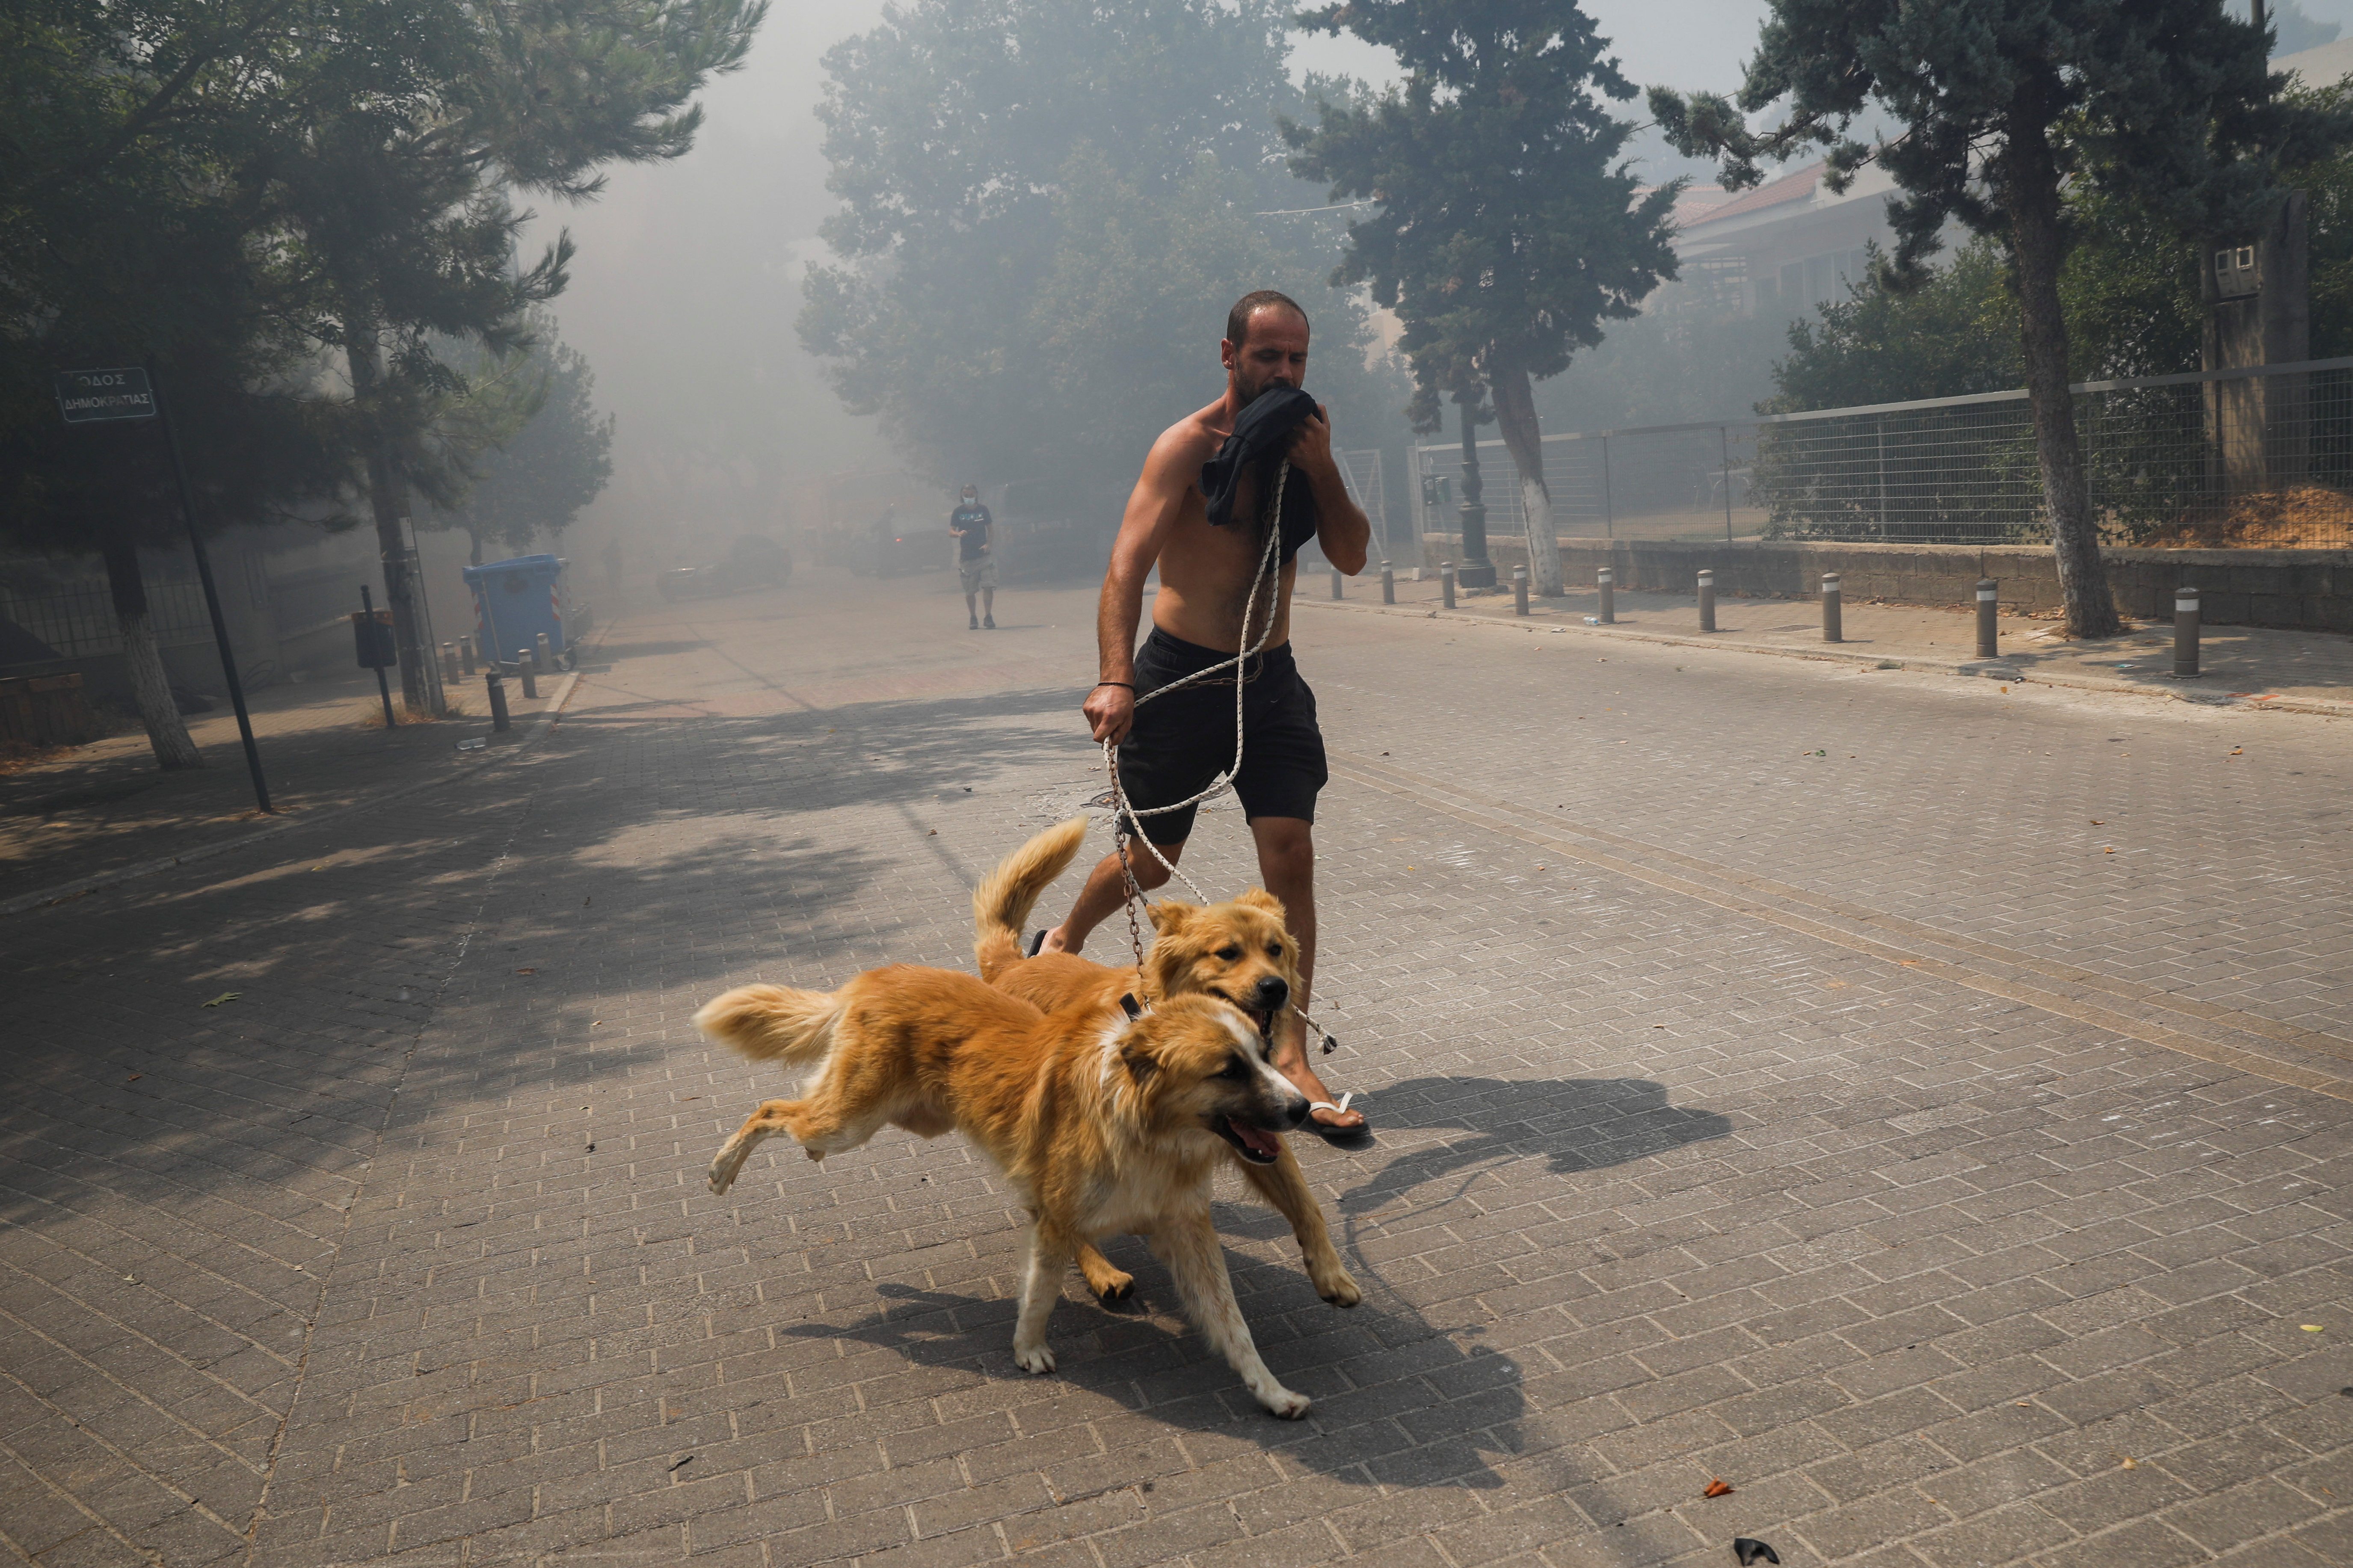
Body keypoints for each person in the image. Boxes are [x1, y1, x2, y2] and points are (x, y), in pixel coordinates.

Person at [1034, 290, 1371, 1137]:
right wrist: (1115, 678)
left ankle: (1290, 1053)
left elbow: (1352, 555)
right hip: (1181, 678)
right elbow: (1125, 567)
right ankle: (1063, 939)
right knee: (1150, 864)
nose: (1284, 373)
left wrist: (1323, 467)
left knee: (1291, 855)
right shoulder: (1187, 446)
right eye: (1267, 357)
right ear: (1229, 357)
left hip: (1270, 680)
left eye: (1297, 358)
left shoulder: (1305, 446)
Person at [949, 485, 996, 629]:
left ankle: (988, 616)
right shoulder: (958, 512)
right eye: (966, 495)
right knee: (970, 591)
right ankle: (973, 617)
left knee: (988, 586)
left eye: (972, 495)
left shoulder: (983, 510)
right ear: (962, 496)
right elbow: (951, 531)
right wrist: (958, 534)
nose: (969, 498)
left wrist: (988, 544)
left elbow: (991, 530)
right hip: (967, 557)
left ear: (976, 495)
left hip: (984, 555)